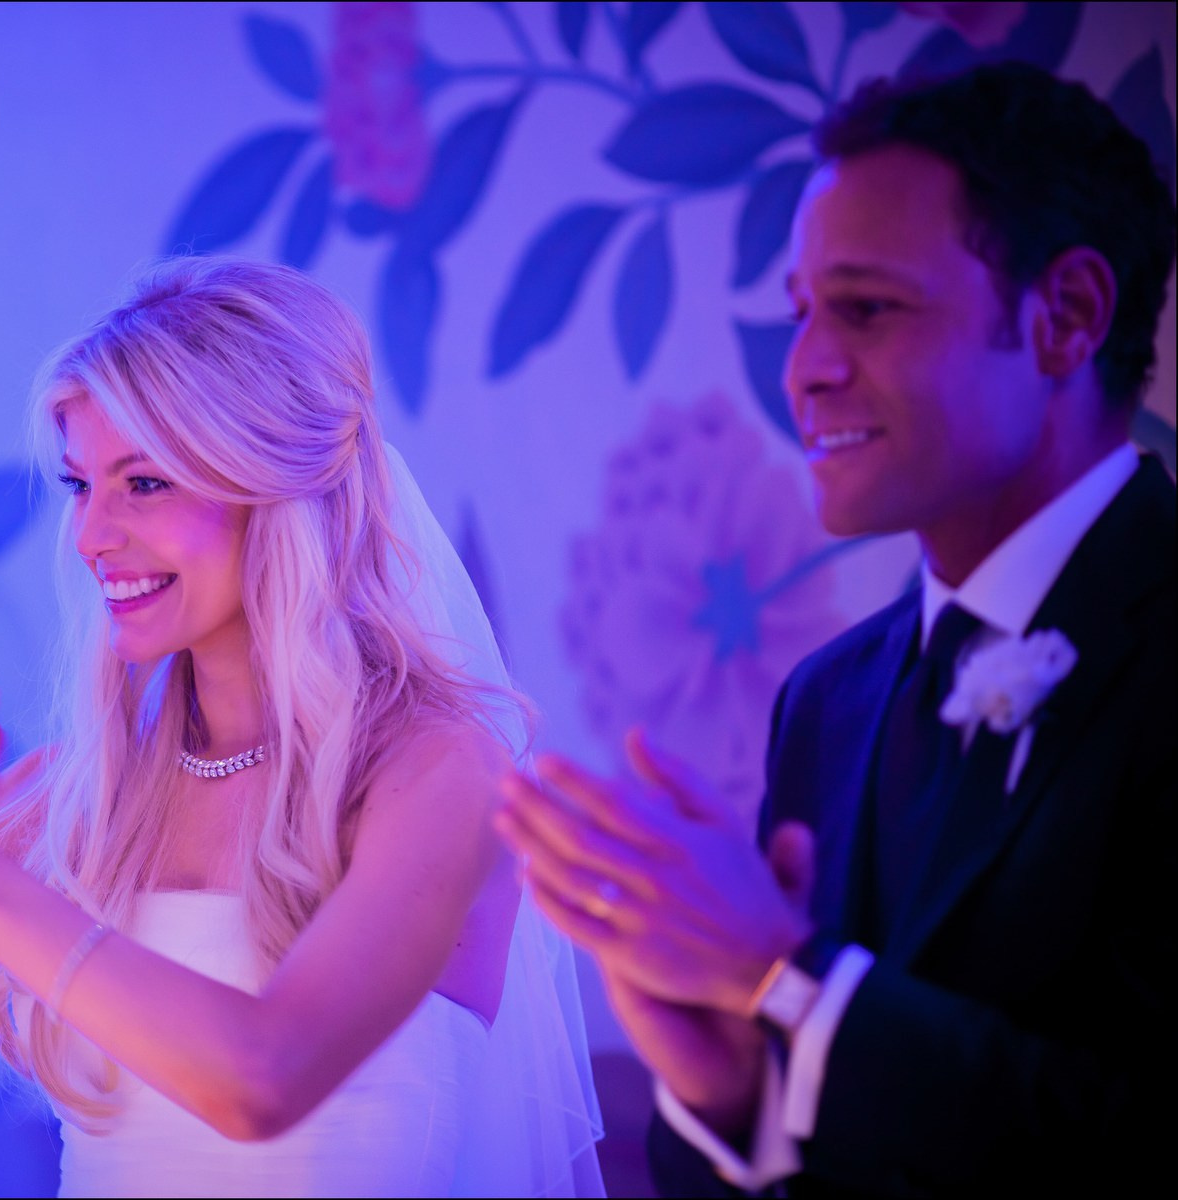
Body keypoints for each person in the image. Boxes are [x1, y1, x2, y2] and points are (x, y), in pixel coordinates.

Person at [0, 258, 604, 1196]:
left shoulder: (436, 774)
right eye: (80, 485)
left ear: (271, 485)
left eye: (143, 483)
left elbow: (266, 1079)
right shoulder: (73, 807)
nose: (91, 534)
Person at [496, 63, 1175, 1195]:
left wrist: (787, 981)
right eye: (800, 312)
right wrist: (725, 1091)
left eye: (866, 308)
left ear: (1065, 317)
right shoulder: (828, 701)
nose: (804, 370)